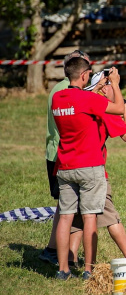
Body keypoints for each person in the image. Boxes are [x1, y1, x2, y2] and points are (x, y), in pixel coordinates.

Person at [51, 57, 125, 279]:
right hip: (89, 166)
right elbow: (119, 108)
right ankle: (88, 269)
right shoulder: (86, 99)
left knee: (65, 217)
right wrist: (116, 84)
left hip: (65, 166)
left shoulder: (56, 98)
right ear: (84, 75)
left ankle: (62, 269)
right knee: (89, 217)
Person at [67, 71, 126, 265]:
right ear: (105, 88)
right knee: (110, 216)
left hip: (71, 166)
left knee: (78, 217)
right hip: (93, 170)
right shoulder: (102, 107)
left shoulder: (85, 100)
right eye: (114, 85)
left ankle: (71, 259)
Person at [40, 50, 90, 267]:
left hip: (56, 153)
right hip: (67, 155)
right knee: (70, 208)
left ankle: (59, 252)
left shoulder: (57, 88)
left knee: (65, 206)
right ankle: (60, 253)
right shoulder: (69, 91)